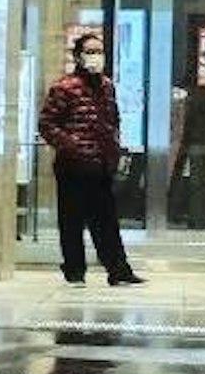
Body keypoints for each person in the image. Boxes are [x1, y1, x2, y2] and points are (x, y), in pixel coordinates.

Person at [35, 29, 143, 287]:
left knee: (106, 219)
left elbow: (112, 120)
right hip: (73, 165)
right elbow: (46, 124)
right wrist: (71, 145)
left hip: (101, 164)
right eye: (90, 52)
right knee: (71, 220)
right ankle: (74, 271)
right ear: (78, 56)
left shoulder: (107, 87)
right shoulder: (64, 88)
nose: (95, 57)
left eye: (99, 52)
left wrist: (115, 150)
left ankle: (118, 270)